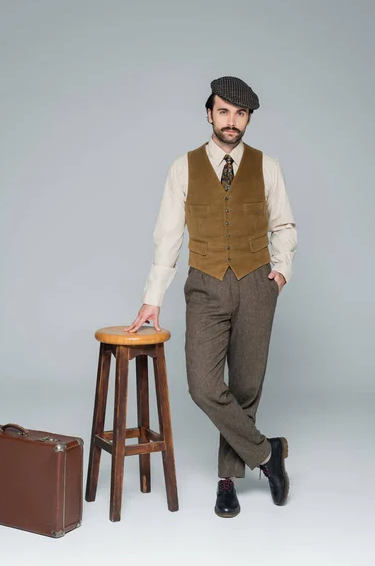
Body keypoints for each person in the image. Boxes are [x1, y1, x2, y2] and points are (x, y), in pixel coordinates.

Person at [125, 76, 297, 517]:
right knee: (203, 384)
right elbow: (167, 237)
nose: (232, 121)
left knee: (245, 386)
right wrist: (152, 298)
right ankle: (266, 453)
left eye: (241, 114)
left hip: (258, 282)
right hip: (204, 284)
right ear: (209, 113)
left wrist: (278, 275)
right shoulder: (183, 167)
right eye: (224, 111)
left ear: (248, 119)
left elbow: (284, 226)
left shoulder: (267, 165)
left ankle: (227, 481)